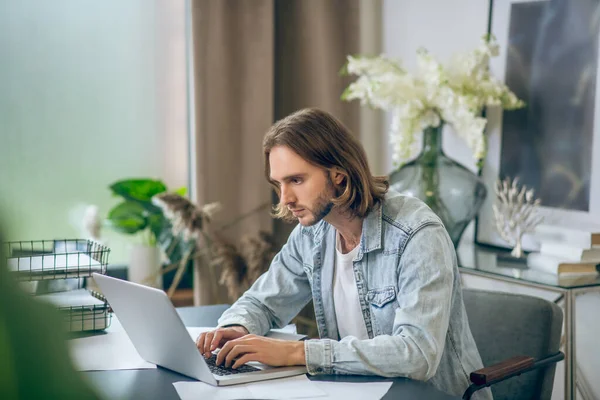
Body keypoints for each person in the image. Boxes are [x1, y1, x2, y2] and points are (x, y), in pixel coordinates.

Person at [196, 108, 491, 399]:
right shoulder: (312, 233)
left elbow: (417, 354)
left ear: (338, 175)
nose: (285, 199)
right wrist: (237, 327)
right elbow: (264, 302)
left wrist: (298, 352)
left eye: (296, 180)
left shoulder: (417, 234)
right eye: (278, 184)